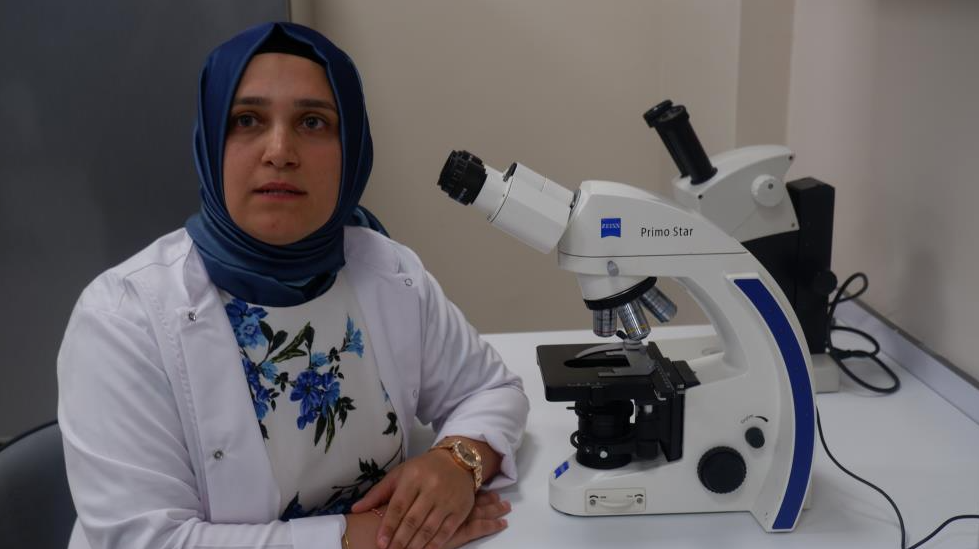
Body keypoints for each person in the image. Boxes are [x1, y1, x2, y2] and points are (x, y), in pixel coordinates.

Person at [57, 22, 529, 549]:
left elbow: (491, 390)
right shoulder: (123, 318)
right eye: (247, 120)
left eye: (312, 122)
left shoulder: (386, 267)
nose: (280, 151)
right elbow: (147, 541)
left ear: (351, 148)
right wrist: (363, 537)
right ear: (211, 142)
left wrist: (459, 460)